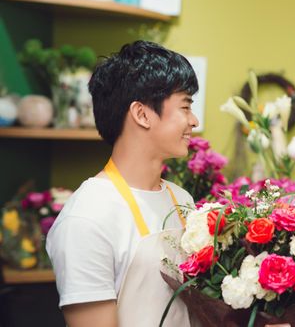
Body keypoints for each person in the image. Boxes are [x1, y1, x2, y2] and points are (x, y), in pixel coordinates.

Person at [46, 40, 200, 327]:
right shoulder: (87, 216)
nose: (194, 120)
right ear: (142, 114)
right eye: (185, 106)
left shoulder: (182, 200)